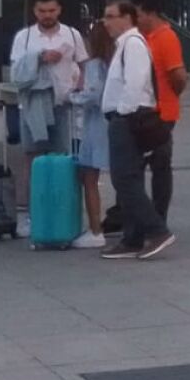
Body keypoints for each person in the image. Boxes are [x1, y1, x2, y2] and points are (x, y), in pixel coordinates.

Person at [97, 1, 176, 259]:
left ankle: (156, 230)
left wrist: (123, 112)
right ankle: (132, 238)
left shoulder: (133, 44)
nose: (105, 22)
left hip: (129, 118)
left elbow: (136, 81)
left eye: (111, 16)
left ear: (127, 18)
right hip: (125, 117)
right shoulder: (125, 45)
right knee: (129, 178)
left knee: (124, 178)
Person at [8, 0, 88, 237]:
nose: (47, 15)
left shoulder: (72, 34)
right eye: (42, 10)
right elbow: (17, 70)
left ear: (59, 10)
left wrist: (80, 85)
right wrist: (40, 58)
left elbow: (84, 63)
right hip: (34, 105)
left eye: (51, 10)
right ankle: (35, 215)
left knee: (64, 158)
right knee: (34, 159)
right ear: (35, 11)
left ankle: (65, 212)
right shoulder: (25, 37)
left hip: (63, 104)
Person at [134, 0, 188, 222]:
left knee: (160, 163)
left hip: (162, 112)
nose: (135, 20)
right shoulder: (142, 38)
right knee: (138, 164)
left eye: (137, 14)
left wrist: (170, 96)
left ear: (150, 13)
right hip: (144, 111)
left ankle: (158, 216)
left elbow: (178, 75)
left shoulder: (166, 37)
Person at [68, 18, 113, 249]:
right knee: (121, 176)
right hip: (115, 123)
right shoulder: (117, 61)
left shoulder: (95, 65)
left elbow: (93, 95)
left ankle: (96, 229)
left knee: (89, 176)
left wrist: (72, 96)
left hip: (96, 125)